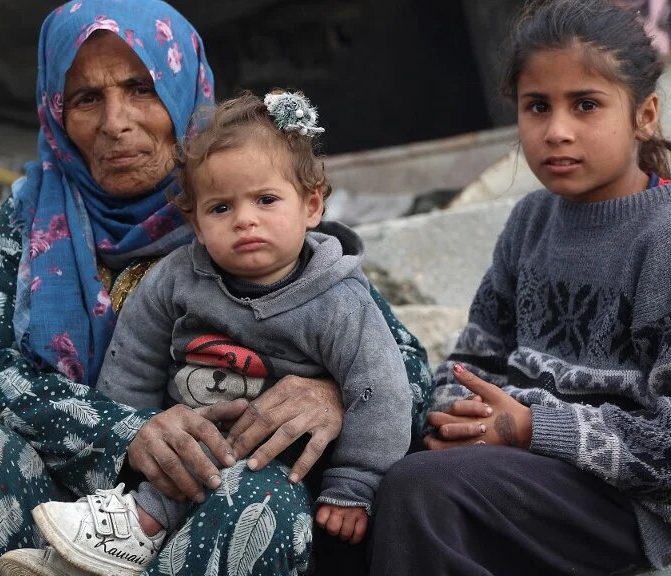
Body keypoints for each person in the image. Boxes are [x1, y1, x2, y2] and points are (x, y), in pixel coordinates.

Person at [0, 2, 432, 576]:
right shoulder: (30, 217)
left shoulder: (253, 200)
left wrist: (330, 393)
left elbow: (407, 369)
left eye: (141, 89)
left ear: (183, 92)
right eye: (86, 99)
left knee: (257, 500)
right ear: (55, 112)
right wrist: (125, 431)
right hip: (77, 494)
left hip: (214, 494)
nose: (115, 122)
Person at [369, 0, 671, 574]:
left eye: (586, 105)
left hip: (628, 505)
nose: (557, 131)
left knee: (422, 491)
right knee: (356, 483)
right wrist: (454, 419)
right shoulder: (531, 222)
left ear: (644, 115)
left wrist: (535, 428)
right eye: (537, 107)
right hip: (516, 467)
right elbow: (473, 362)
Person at [25, 90, 412, 576]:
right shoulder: (175, 280)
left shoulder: (339, 300)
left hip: (283, 464)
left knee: (240, 484)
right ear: (196, 223)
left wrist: (354, 484)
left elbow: (383, 392)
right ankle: (111, 544)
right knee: (182, 463)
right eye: (221, 208)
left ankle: (124, 540)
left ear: (312, 206)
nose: (245, 219)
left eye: (266, 200)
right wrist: (131, 446)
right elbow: (134, 363)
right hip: (190, 444)